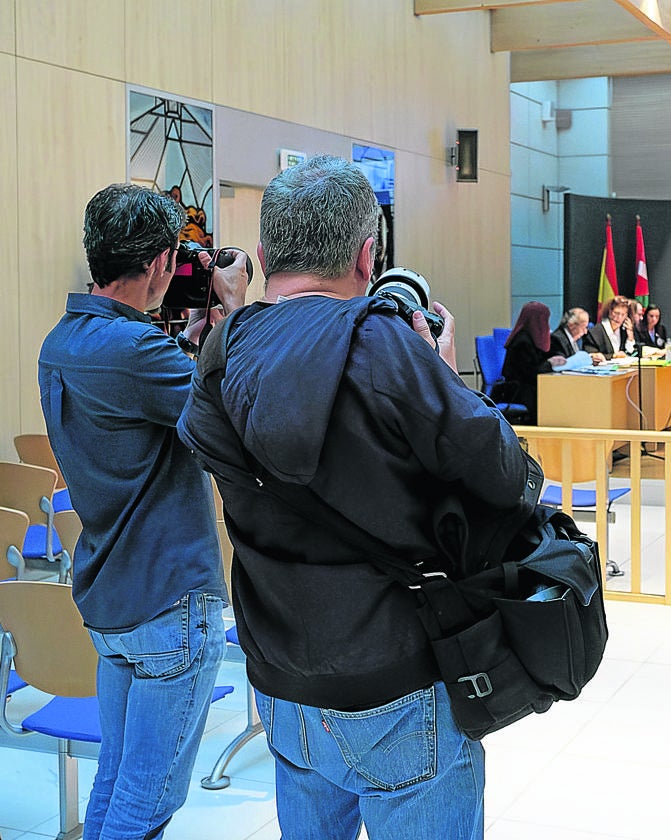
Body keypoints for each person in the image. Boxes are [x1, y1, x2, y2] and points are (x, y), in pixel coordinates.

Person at [178, 155, 530, 839]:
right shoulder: (387, 346)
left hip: (281, 681)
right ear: (369, 257)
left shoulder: (220, 355)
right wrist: (447, 380)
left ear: (261, 256)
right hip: (398, 680)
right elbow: (505, 478)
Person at [37, 183, 248, 838]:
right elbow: (237, 418)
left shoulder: (63, 342)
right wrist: (235, 309)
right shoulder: (138, 356)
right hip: (167, 601)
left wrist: (190, 341)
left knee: (117, 778)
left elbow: (145, 393)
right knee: (146, 802)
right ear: (160, 262)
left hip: (110, 597)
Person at [500, 301, 566, 423]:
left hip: (528, 387)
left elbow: (549, 353)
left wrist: (557, 357)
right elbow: (531, 373)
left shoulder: (533, 338)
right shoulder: (522, 341)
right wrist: (550, 363)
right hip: (518, 390)